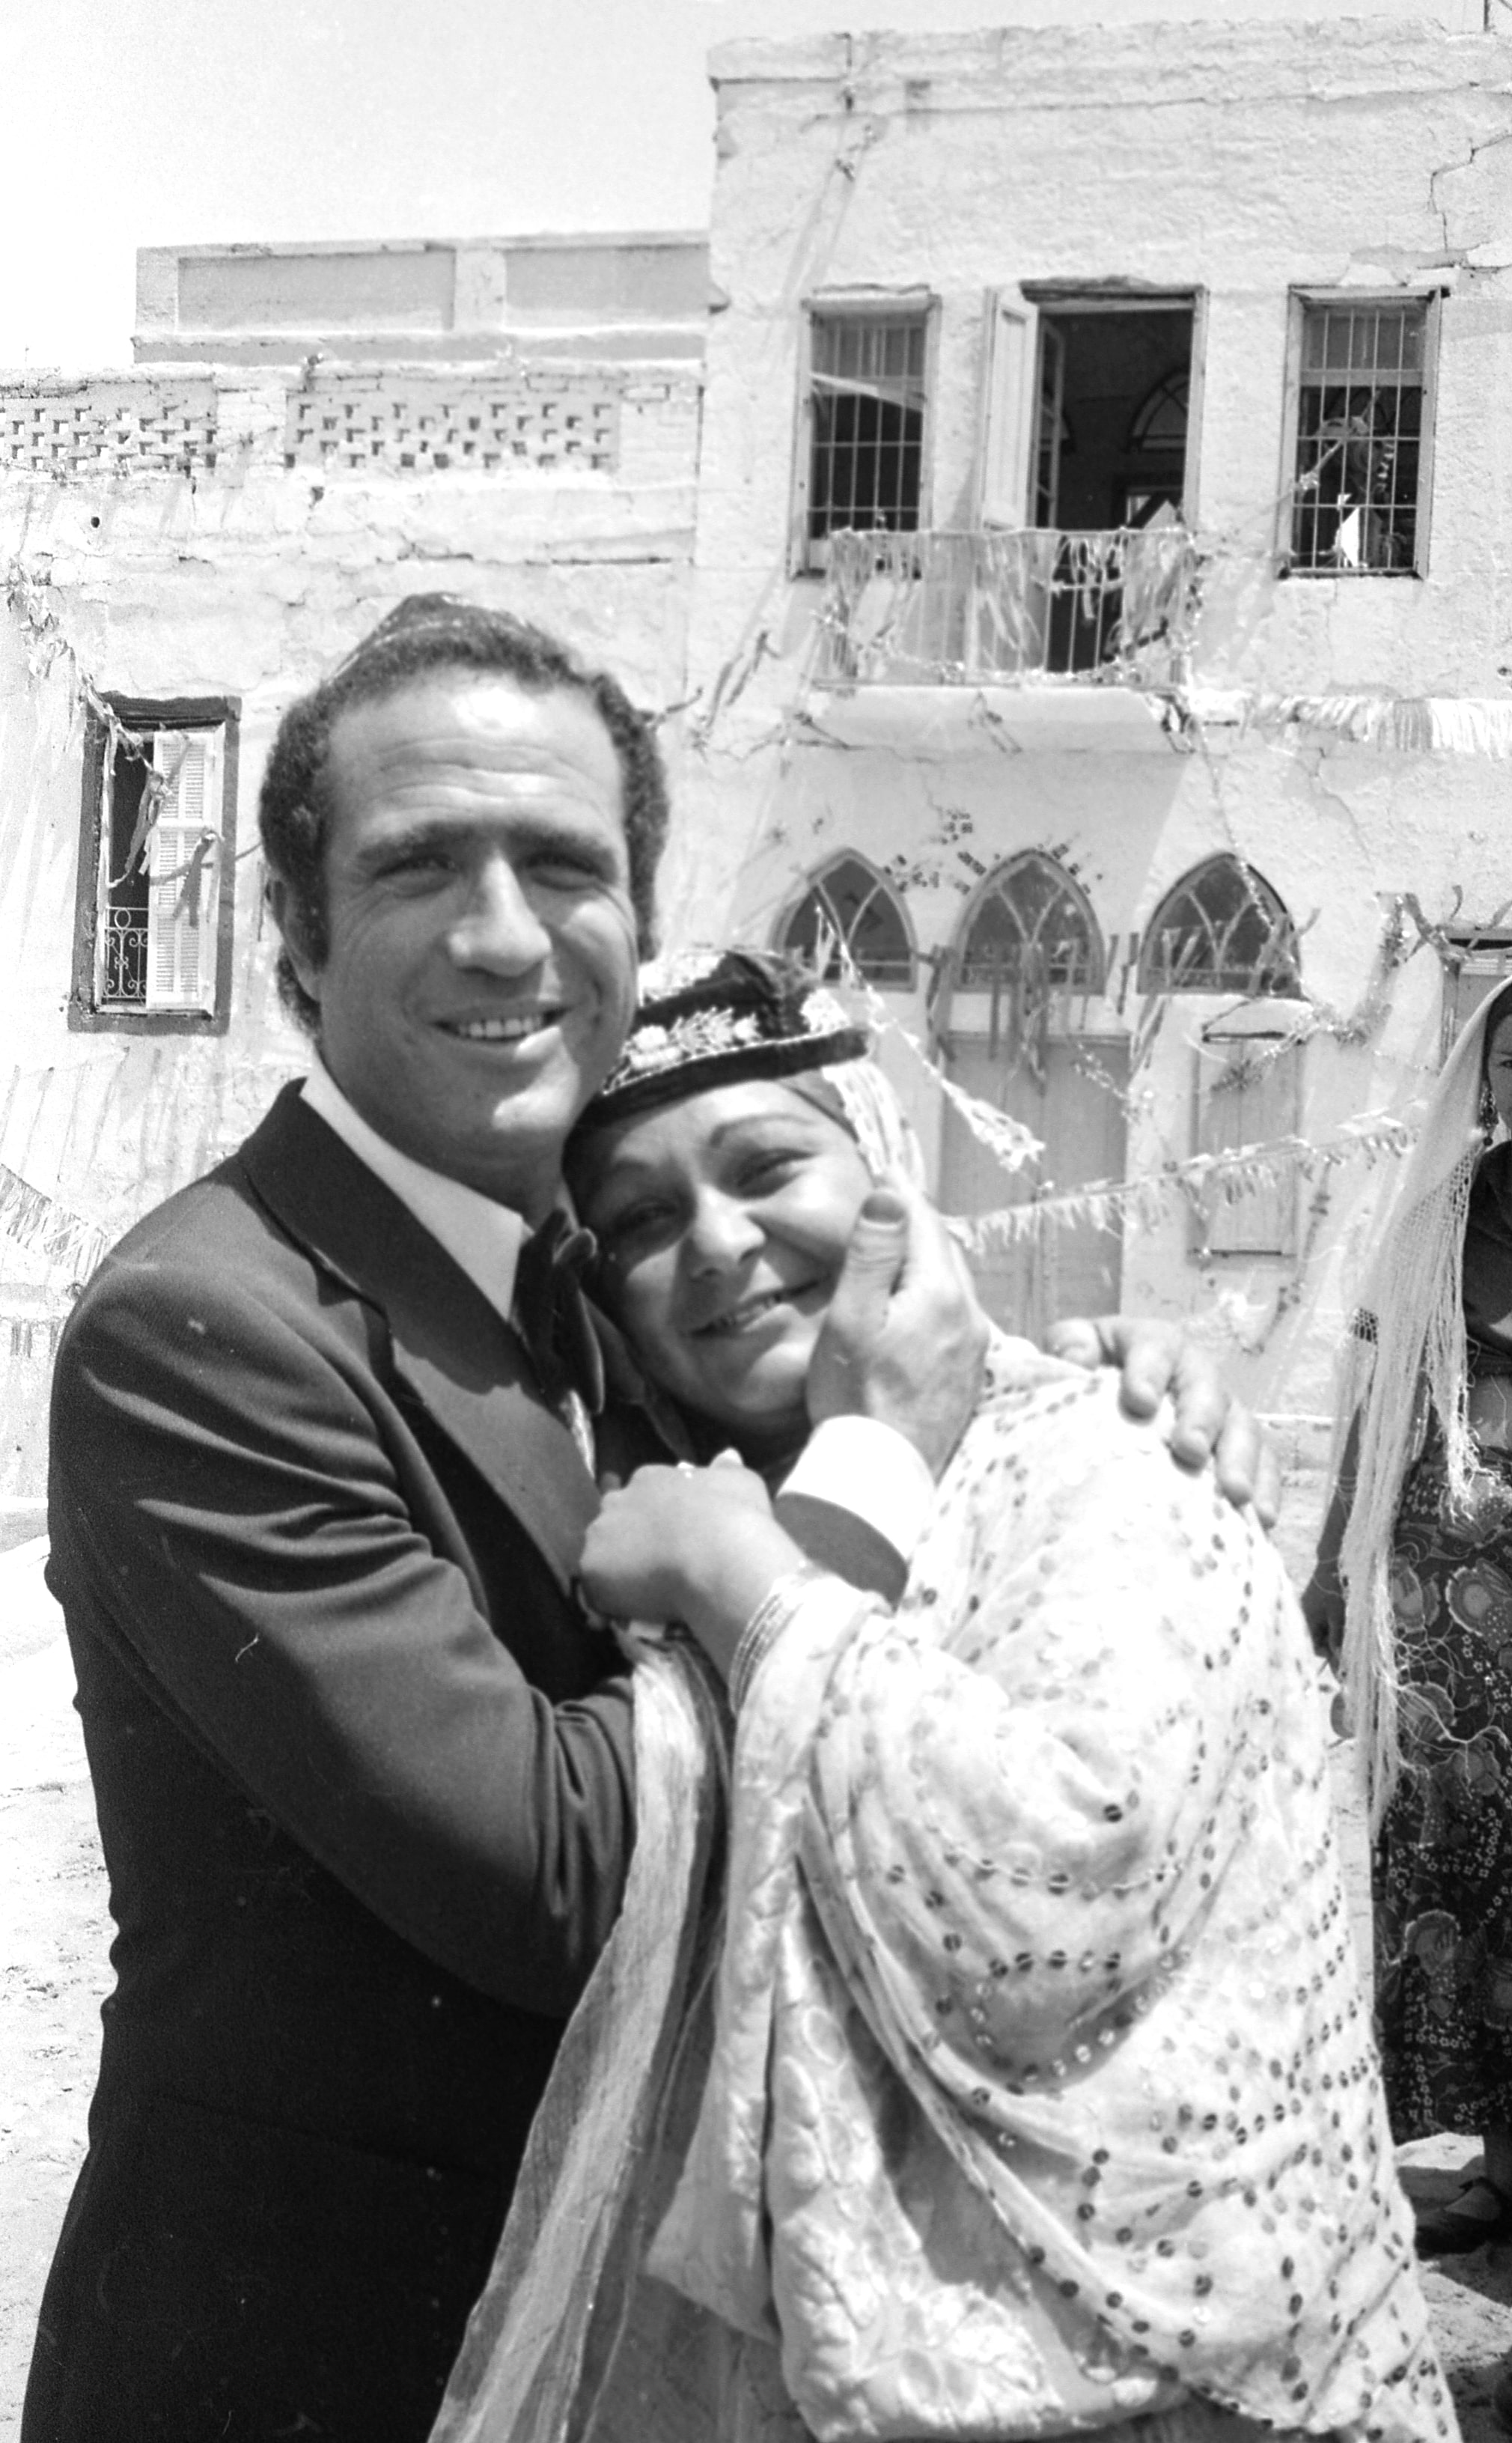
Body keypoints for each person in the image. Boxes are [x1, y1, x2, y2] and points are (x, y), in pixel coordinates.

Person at [22, 608, 1258, 2443]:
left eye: (563, 866)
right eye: (418, 866)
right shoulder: (209, 1328)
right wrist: (877, 1463)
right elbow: (566, 1879)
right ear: (295, 929)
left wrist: (1084, 1395)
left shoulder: (608, 1274)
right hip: (331, 2367)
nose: (503, 934)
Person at [427, 949, 1450, 2443]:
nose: (716, 1243)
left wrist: (749, 1594)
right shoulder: (659, 1514)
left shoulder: (1108, 1456)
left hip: (1162, 2388)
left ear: (892, 1180)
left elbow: (1060, 1886)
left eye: (766, 1166)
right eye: (640, 1221)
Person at [1305, 975, 1512, 2262]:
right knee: (1452, 1856)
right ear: (1486, 1080)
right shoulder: (1440, 1217)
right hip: (1438, 1597)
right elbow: (1376, 1402)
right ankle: (1496, 2165)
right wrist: (1333, 1567)